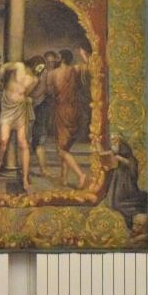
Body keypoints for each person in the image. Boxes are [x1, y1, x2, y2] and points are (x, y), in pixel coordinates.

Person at [45, 47, 90, 189]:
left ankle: (80, 175)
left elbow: (49, 92)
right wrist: (83, 55)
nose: (56, 59)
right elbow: (90, 66)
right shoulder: (75, 69)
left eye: (58, 57)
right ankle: (63, 178)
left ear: (61, 59)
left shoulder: (52, 74)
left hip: (61, 110)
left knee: (61, 150)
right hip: (75, 110)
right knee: (65, 146)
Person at [0, 59, 39, 191]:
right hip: (7, 107)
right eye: (38, 66)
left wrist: (23, 96)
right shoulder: (19, 66)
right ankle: (0, 161)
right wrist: (0, 79)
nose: (38, 69)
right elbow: (4, 67)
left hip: (19, 109)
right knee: (3, 139)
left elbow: (26, 93)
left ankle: (24, 177)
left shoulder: (34, 80)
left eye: (40, 68)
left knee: (23, 143)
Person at [107, 134, 148, 230]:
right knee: (113, 203)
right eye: (111, 140)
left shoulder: (128, 155)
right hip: (116, 183)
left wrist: (120, 159)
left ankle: (133, 223)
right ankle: (130, 225)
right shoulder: (113, 152)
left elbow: (132, 165)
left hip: (126, 185)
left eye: (115, 140)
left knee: (119, 203)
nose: (112, 143)